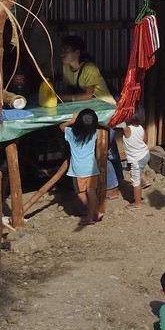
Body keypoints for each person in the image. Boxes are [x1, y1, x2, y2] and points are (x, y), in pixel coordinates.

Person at [57, 35, 122, 199]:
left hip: (107, 110)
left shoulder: (90, 68)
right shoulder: (66, 68)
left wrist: (63, 97)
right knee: (108, 148)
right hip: (91, 112)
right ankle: (115, 183)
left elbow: (87, 95)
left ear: (77, 53)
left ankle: (112, 187)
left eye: (66, 51)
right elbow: (73, 90)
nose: (62, 54)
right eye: (62, 51)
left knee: (102, 150)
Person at [63, 107, 106, 226]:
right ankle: (95, 212)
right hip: (92, 168)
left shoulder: (70, 133)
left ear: (78, 122)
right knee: (91, 192)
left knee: (80, 192)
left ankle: (93, 214)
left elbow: (61, 127)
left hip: (78, 170)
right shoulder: (94, 133)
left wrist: (72, 119)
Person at [118, 106, 150, 209]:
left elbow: (116, 123)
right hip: (145, 154)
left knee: (135, 182)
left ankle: (137, 204)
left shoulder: (127, 129)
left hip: (136, 159)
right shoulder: (141, 128)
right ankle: (145, 181)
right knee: (138, 168)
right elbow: (145, 140)